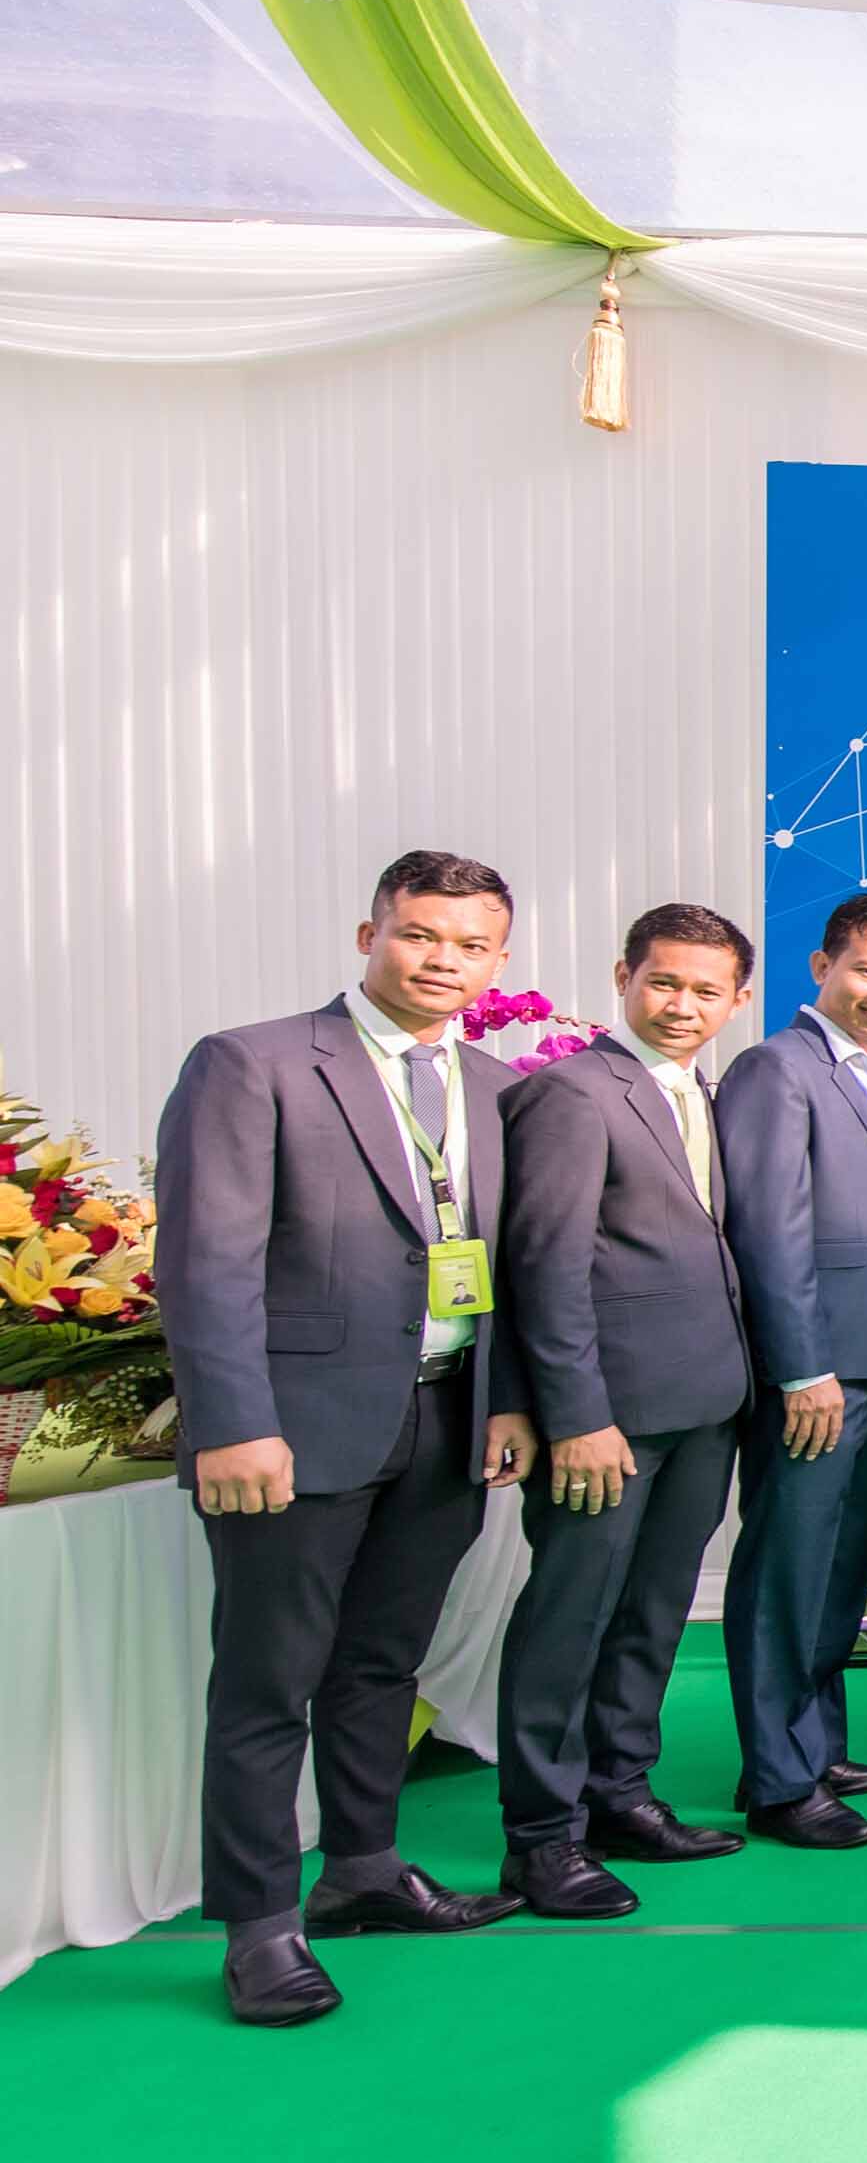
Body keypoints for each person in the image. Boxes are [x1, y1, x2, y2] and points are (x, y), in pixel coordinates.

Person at [157, 851, 535, 2025]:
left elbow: (503, 1264)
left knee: (383, 1662)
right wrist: (234, 1423)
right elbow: (205, 1261)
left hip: (446, 1417)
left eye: (469, 945)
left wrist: (507, 1398)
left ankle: (363, 1869)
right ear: (369, 934)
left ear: (499, 960)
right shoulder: (253, 1062)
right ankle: (260, 1926)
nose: (441, 960)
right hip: (293, 1428)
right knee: (268, 1680)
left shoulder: (492, 1084)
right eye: (419, 934)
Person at [487, 903, 760, 1922]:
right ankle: (540, 1836)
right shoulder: (570, 1094)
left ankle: (620, 1794)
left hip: (705, 1406)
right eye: (664, 982)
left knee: (653, 1613)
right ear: (623, 977)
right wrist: (576, 1416)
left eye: (706, 990)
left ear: (737, 1000)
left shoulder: (708, 1094)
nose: (683, 1005)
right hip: (609, 1419)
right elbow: (544, 1269)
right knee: (571, 1617)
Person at [717, 892, 867, 1848]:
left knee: (839, 1567)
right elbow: (768, 1230)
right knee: (788, 1571)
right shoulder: (778, 1069)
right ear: (822, 967)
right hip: (818, 1378)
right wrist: (802, 1370)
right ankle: (778, 1782)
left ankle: (816, 1750)